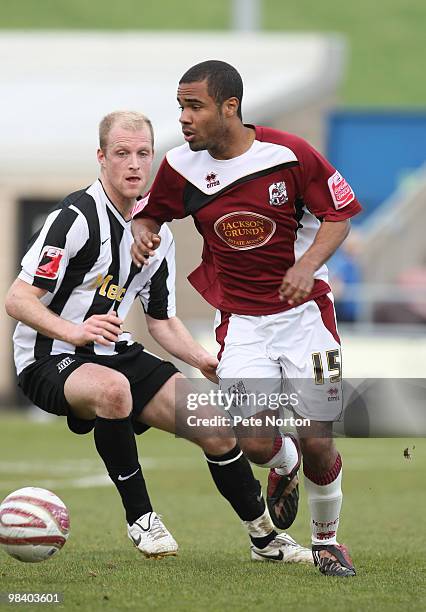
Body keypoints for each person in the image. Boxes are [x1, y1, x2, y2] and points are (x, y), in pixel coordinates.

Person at [5, 110, 312, 564]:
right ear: (101, 158)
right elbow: (17, 299)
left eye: (143, 153)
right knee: (113, 391)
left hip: (113, 353)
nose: (133, 163)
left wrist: (203, 360)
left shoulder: (158, 233)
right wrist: (74, 330)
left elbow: (161, 321)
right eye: (122, 153)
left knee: (213, 423)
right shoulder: (75, 219)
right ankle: (142, 519)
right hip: (49, 356)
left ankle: (265, 540)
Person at [131, 61, 362, 577]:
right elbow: (152, 209)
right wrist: (144, 230)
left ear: (229, 107)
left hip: (307, 319)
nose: (184, 118)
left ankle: (327, 541)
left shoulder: (289, 153)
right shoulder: (181, 167)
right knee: (256, 444)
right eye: (181, 107)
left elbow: (339, 215)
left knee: (318, 437)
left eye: (195, 107)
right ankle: (283, 465)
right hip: (241, 323)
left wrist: (306, 265)